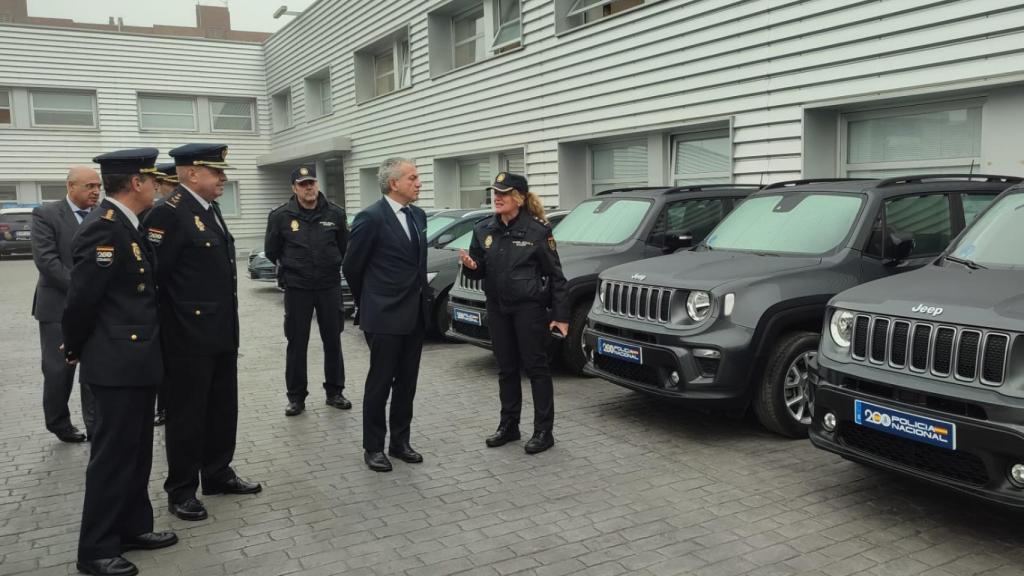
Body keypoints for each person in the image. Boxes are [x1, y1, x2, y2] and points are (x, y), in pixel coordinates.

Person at [63, 148, 177, 576]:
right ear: (136, 183)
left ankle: (132, 527)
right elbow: (82, 301)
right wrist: (75, 349)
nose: (158, 187)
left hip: (137, 359)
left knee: (136, 452)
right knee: (112, 458)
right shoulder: (104, 228)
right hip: (115, 362)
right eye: (153, 180)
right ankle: (95, 549)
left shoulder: (130, 224)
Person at [143, 143, 260, 522]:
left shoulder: (209, 208)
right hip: (187, 338)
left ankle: (217, 473)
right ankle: (181, 490)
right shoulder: (168, 213)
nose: (223, 178)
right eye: (216, 171)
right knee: (186, 416)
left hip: (221, 332)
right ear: (192, 173)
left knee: (222, 409)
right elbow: (155, 280)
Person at [459, 172, 568, 455]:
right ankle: (509, 426)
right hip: (498, 308)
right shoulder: (483, 229)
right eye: (495, 192)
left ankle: (543, 431)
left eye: (504, 193)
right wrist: (471, 266)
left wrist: (561, 316)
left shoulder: (537, 231)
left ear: (518, 198)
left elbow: (556, 277)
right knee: (506, 369)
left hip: (528, 309)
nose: (497, 197)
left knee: (536, 368)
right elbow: (479, 269)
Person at [342, 157, 428, 472]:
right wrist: (371, 301)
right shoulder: (371, 218)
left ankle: (400, 442)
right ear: (394, 183)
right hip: (383, 316)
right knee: (380, 383)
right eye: (413, 177)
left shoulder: (417, 215)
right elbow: (352, 266)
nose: (419, 183)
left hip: (414, 314)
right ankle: (374, 447)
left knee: (407, 383)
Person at [264, 164, 350, 417]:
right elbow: (271, 251)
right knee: (296, 342)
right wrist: (293, 267)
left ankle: (335, 392)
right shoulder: (280, 216)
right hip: (297, 288)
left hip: (328, 286)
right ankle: (296, 397)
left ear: (317, 185)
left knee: (333, 340)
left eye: (312, 182)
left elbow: (344, 247)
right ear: (294, 188)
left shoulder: (335, 213)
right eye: (303, 184)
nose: (309, 187)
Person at [31, 166, 100, 443]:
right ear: (71, 186)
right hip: (58, 306)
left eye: (98, 186)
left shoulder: (102, 213)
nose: (95, 191)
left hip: (95, 307)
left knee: (94, 367)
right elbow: (47, 261)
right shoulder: (46, 214)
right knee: (59, 370)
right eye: (89, 186)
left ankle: (95, 424)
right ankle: (59, 423)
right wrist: (82, 290)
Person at [147, 162, 177, 427]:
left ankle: (170, 404)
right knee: (162, 357)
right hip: (159, 298)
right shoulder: (154, 212)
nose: (175, 190)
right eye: (171, 185)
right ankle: (163, 406)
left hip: (179, 301)